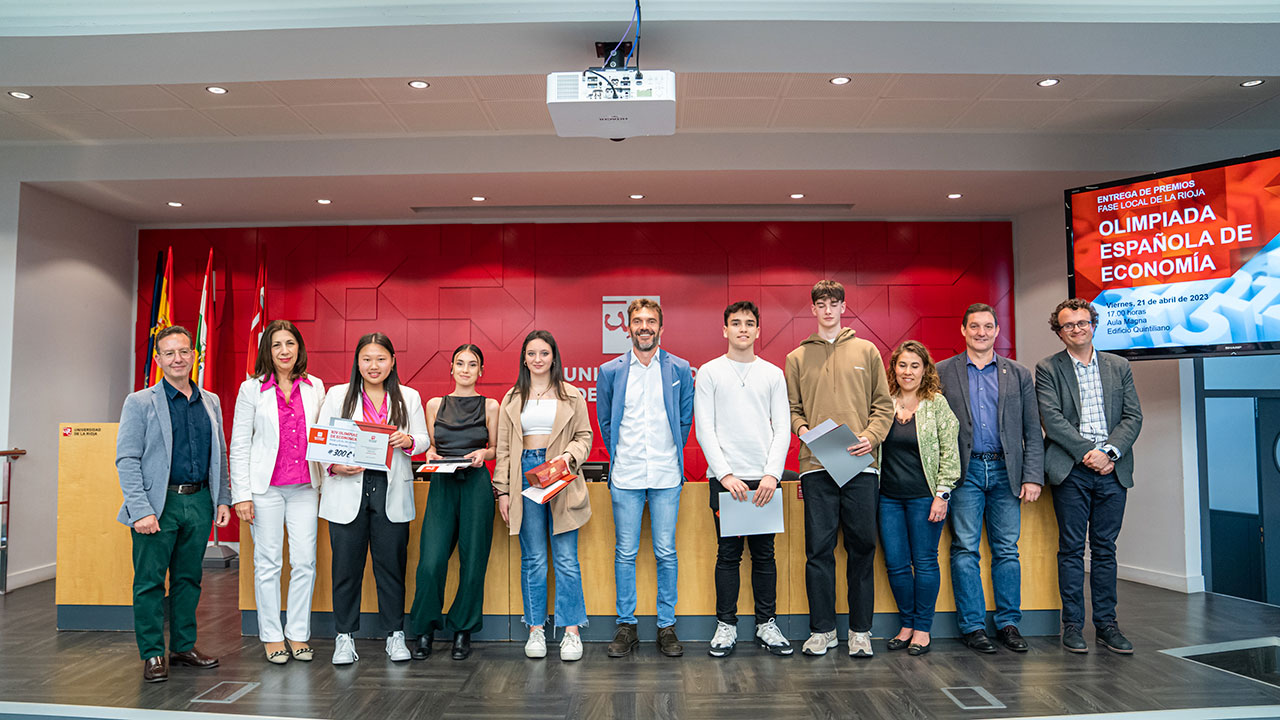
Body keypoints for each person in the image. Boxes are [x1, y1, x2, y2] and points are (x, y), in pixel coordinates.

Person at [115, 325, 231, 682]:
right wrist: (140, 510)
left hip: (198, 502)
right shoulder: (140, 402)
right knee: (149, 582)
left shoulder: (210, 401)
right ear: (158, 359)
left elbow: (220, 454)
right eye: (169, 353)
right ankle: (152, 654)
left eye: (184, 351)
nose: (178, 358)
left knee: (188, 579)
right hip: (157, 504)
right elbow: (127, 459)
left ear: (194, 356)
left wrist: (223, 498)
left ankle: (183, 646)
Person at [784, 279, 893, 657]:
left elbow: (884, 405)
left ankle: (860, 632)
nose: (827, 310)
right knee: (819, 550)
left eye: (834, 303)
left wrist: (871, 437)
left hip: (860, 465)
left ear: (843, 307)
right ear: (812, 309)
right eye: (821, 304)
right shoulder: (796, 358)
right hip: (816, 466)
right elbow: (792, 409)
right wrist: (802, 431)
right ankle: (823, 630)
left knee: (862, 548)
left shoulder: (867, 350)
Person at [1036, 298, 1143, 655]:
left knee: (1105, 549)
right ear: (1060, 331)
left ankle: (1107, 625)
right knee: (1070, 550)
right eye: (1069, 325)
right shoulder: (1048, 368)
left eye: (1083, 323)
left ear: (1093, 325)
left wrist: (1109, 452)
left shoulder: (1119, 365)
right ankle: (1072, 626)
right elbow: (1052, 421)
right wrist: (1088, 453)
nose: (1077, 329)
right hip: (1072, 471)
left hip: (1113, 470)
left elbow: (1132, 417)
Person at [936, 303, 1043, 654]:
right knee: (965, 549)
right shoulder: (942, 372)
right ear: (963, 331)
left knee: (1007, 551)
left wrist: (1032, 476)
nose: (981, 332)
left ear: (997, 331)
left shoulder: (1018, 374)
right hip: (964, 473)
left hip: (1006, 471)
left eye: (988, 326)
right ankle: (973, 627)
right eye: (974, 326)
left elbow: (1031, 429)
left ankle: (1009, 624)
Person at [317, 332, 428, 665]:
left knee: (391, 568)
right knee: (346, 569)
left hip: (390, 489)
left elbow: (423, 440)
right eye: (367, 359)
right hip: (348, 488)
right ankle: (344, 636)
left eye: (381, 358)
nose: (373, 365)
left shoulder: (408, 397)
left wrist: (408, 439)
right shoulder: (339, 395)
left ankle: (395, 636)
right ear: (357, 362)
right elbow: (322, 441)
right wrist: (335, 465)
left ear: (393, 361)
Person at [597, 298, 695, 658]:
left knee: (666, 552)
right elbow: (606, 422)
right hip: (626, 474)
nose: (644, 326)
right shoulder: (610, 371)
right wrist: (622, 455)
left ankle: (666, 627)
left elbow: (684, 419)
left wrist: (671, 452)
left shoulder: (679, 369)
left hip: (667, 474)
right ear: (628, 327)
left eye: (650, 320)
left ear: (661, 327)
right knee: (625, 553)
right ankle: (627, 626)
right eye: (637, 320)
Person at [694, 301, 793, 658]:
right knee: (728, 555)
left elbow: (782, 428)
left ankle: (767, 624)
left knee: (765, 556)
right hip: (727, 482)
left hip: (765, 481)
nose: (742, 329)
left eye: (749, 323)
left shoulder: (772, 373)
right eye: (735, 323)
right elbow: (704, 429)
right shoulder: (709, 372)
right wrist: (726, 475)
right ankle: (726, 626)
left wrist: (771, 474)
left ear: (758, 330)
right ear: (725, 330)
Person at [229, 319, 327, 665]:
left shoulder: (315, 386)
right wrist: (240, 494)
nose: (284, 351)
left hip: (305, 486)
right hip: (264, 489)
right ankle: (272, 636)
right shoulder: (251, 389)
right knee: (267, 563)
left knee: (304, 562)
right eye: (276, 345)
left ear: (299, 348)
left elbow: (327, 436)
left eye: (290, 344)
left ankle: (298, 633)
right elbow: (240, 443)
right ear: (267, 352)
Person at [494, 330, 594, 662]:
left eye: (544, 353)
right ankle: (536, 628)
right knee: (533, 558)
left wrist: (568, 457)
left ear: (554, 357)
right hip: (524, 475)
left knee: (566, 559)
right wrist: (503, 491)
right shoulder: (512, 397)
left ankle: (571, 632)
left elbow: (585, 436)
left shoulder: (571, 395)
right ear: (524, 358)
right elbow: (505, 449)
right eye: (532, 353)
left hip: (560, 474)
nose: (538, 359)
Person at [409, 344, 499, 661]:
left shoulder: (491, 405)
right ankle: (424, 630)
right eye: (459, 363)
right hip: (442, 483)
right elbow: (431, 447)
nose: (465, 369)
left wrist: (483, 454)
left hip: (475, 483)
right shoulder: (434, 404)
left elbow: (495, 450)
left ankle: (462, 630)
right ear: (451, 368)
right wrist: (430, 454)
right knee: (431, 562)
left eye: (472, 364)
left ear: (480, 371)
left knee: (473, 561)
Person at [878, 340, 960, 656]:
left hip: (925, 498)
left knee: (924, 562)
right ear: (894, 369)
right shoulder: (883, 403)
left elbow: (949, 453)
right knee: (896, 564)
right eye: (902, 365)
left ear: (924, 370)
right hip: (888, 499)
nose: (908, 371)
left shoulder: (936, 404)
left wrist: (943, 494)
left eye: (914, 365)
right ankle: (907, 625)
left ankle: (923, 628)